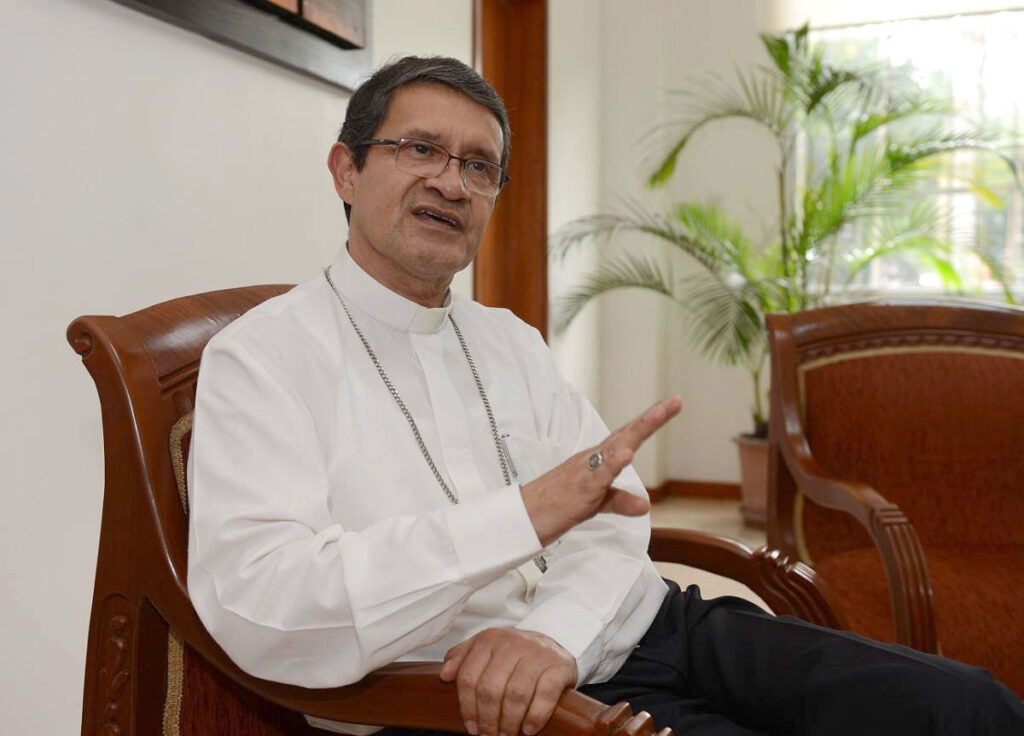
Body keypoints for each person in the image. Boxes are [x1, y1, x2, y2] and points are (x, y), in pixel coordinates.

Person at [187, 56, 1024, 736]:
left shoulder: (508, 340)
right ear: (346, 169)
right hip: (468, 696)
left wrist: (553, 635)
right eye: (421, 150)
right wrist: (523, 518)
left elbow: (614, 522)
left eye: (479, 166)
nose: (452, 183)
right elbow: (266, 606)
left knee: (965, 707)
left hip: (632, 623)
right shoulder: (262, 358)